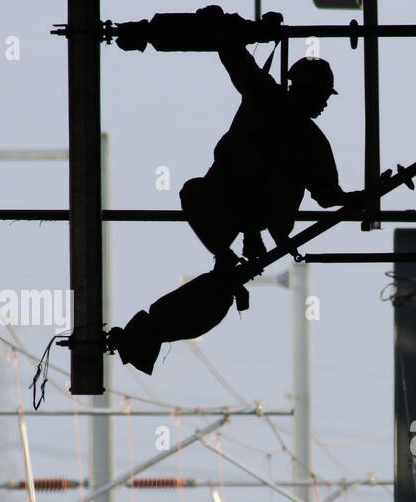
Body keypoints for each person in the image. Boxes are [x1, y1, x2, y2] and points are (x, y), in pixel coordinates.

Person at [108, 4, 365, 375]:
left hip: (241, 215)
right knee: (194, 194)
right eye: (323, 95)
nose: (325, 104)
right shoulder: (298, 128)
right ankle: (232, 249)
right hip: (242, 212)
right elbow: (328, 196)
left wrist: (250, 30)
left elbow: (228, 48)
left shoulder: (277, 107)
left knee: (194, 194)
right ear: (307, 90)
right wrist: (357, 199)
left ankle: (231, 249)